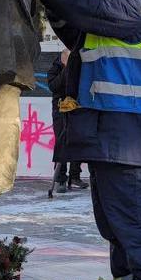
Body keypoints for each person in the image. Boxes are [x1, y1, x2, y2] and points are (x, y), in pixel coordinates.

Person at [31, 0, 141, 280]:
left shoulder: (137, 3)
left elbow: (84, 3)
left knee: (132, 216)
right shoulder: (127, 4)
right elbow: (76, 23)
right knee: (114, 219)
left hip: (129, 131)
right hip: (114, 129)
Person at [47, 49, 89, 193]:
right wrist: (66, 69)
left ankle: (75, 176)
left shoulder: (80, 66)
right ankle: (60, 179)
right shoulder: (55, 69)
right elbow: (54, 87)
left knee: (77, 141)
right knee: (61, 141)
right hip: (60, 108)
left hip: (77, 106)